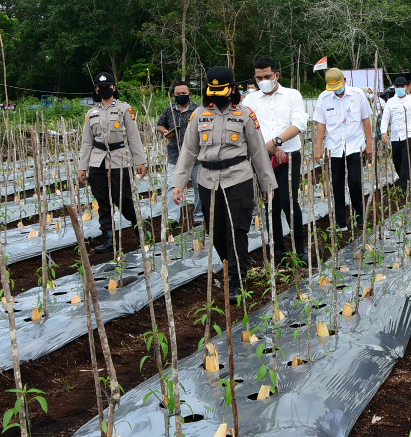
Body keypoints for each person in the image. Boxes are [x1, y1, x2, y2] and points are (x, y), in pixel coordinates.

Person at [171, 67, 276, 302]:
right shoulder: (199, 115)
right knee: (215, 231)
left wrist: (267, 184)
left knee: (237, 230)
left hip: (238, 178)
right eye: (213, 91)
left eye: (222, 91)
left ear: (232, 89)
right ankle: (229, 264)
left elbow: (258, 151)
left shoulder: (244, 114)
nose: (217, 96)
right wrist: (179, 182)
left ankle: (237, 278)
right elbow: (188, 151)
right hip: (207, 180)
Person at [243, 57, 309, 265]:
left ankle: (300, 249)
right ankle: (277, 251)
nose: (263, 81)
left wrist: (277, 142)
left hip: (289, 155)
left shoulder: (292, 95)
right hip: (262, 158)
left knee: (290, 202)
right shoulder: (249, 101)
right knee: (270, 203)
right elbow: (248, 129)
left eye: (267, 76)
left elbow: (299, 123)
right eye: (259, 78)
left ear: (277, 75)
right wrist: (268, 149)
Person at [78, 71, 147, 253]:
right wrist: (82, 167)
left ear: (114, 88)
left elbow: (133, 137)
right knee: (102, 201)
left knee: (123, 199)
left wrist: (140, 160)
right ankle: (108, 239)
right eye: (100, 87)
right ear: (96, 90)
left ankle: (139, 228)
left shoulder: (124, 109)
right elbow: (87, 142)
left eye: (107, 86)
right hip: (97, 161)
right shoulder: (91, 113)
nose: (104, 90)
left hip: (119, 159)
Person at [312, 68, 374, 231]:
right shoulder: (324, 98)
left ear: (345, 81)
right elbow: (321, 124)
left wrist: (369, 143)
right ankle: (341, 222)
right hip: (334, 148)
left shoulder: (358, 95)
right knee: (337, 184)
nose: (336, 90)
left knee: (355, 182)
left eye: (338, 86)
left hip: (355, 145)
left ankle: (359, 215)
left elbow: (366, 120)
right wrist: (318, 147)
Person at [155, 81, 204, 229]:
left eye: (184, 93)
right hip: (175, 154)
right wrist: (165, 131)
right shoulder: (169, 110)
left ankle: (199, 217)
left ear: (190, 94)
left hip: (196, 156)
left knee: (199, 186)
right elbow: (160, 125)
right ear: (174, 95)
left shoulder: (198, 110)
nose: (181, 96)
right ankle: (172, 218)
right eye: (178, 94)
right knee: (173, 185)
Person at [380, 73, 411, 192]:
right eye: (397, 87)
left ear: (405, 87)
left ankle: (405, 187)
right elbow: (385, 118)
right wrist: (383, 132)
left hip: (410, 135)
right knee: (397, 160)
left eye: (401, 86)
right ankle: (406, 181)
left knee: (407, 162)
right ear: (394, 88)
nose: (399, 89)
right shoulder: (390, 102)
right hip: (395, 136)